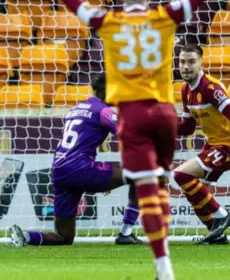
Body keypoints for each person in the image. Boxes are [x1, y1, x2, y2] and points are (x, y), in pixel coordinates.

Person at [38, 0, 230, 279]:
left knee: (145, 185)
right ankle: (165, 262)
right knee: (161, 181)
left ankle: (164, 268)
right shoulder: (164, 17)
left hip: (130, 114)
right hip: (162, 111)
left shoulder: (108, 20)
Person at [8, 74, 143, 247]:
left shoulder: (76, 108)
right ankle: (126, 234)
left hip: (59, 170)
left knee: (63, 237)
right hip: (80, 168)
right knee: (140, 174)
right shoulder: (103, 111)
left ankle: (24, 237)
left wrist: (105, 178)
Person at [174, 44, 230, 245]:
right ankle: (216, 234)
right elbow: (187, 128)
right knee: (192, 191)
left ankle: (222, 216)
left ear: (201, 64)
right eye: (182, 62)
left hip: (228, 146)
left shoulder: (209, 88)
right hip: (213, 144)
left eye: (191, 62)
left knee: (180, 174)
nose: (186, 66)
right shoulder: (185, 89)